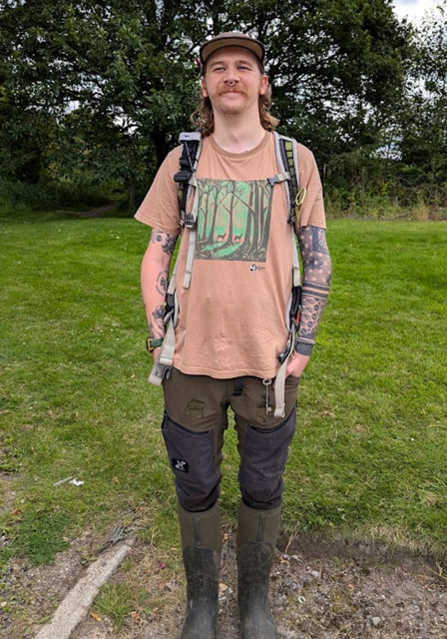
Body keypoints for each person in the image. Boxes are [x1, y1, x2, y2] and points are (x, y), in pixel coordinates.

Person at [135, 32, 332, 639]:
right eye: (217, 67)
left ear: (262, 83)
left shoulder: (294, 161)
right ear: (205, 85)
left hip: (267, 362)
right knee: (195, 483)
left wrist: (301, 347)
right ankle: (201, 607)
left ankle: (254, 607)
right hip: (191, 361)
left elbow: (316, 257)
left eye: (243, 66)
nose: (230, 75)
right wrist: (157, 329)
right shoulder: (184, 161)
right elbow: (155, 254)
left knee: (262, 483)